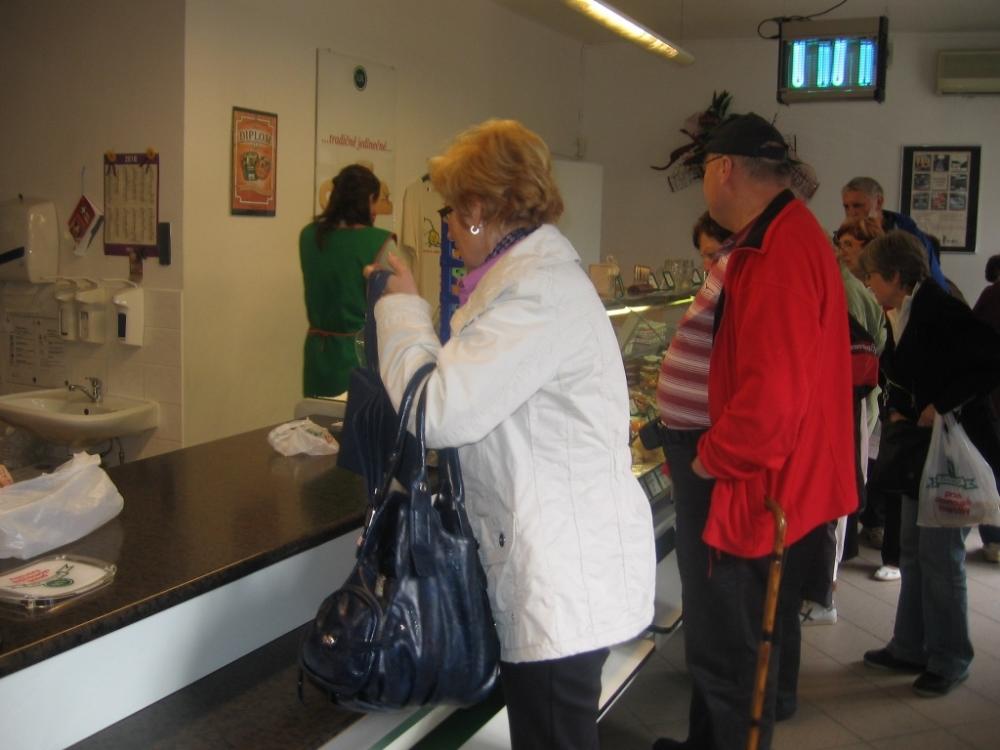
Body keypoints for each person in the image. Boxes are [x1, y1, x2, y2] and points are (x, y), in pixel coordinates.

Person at [368, 119, 655, 750]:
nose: (448, 223)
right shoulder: (528, 284)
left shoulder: (535, 294)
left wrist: (400, 308)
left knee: (551, 735)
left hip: (559, 579)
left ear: (477, 209)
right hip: (560, 565)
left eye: (451, 209)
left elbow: (436, 411)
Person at [654, 113, 857, 750]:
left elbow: (770, 405)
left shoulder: (775, 254)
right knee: (720, 637)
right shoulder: (779, 234)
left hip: (743, 480)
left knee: (728, 647)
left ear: (723, 169)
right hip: (746, 471)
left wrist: (708, 461)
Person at [860, 231, 1000, 697]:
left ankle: (951, 656)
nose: (869, 285)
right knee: (914, 551)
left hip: (950, 449)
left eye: (873, 277)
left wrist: (941, 404)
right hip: (917, 451)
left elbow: (990, 359)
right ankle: (910, 645)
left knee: (942, 558)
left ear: (896, 275)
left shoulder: (940, 308)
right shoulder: (900, 309)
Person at [299, 164, 397, 397]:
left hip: (317, 354)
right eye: (375, 201)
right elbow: (396, 305)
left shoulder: (309, 235)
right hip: (359, 353)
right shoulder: (379, 242)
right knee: (357, 417)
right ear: (368, 199)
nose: (375, 210)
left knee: (317, 415)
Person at [841, 176, 948, 289]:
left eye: (857, 206)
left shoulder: (907, 236)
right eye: (846, 207)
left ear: (879, 202)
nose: (851, 213)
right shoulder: (849, 234)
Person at [972, 253, 1000, 562]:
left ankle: (994, 539)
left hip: (993, 397)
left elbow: (973, 340)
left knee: (993, 468)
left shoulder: (991, 296)